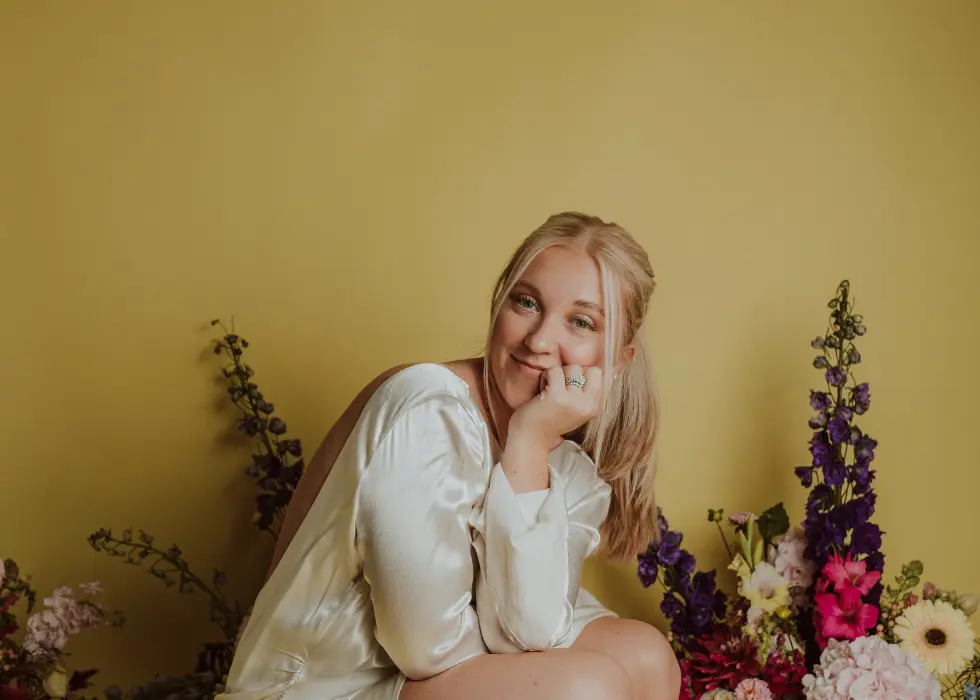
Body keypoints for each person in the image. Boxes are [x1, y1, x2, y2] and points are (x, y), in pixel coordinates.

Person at [217, 212, 681, 700]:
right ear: (500, 300)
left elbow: (533, 632)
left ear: (618, 360)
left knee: (647, 657)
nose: (540, 341)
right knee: (584, 689)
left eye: (581, 322)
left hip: (434, 676)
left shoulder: (567, 463)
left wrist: (527, 445)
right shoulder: (427, 407)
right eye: (527, 302)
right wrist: (527, 441)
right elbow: (427, 649)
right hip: (323, 687)